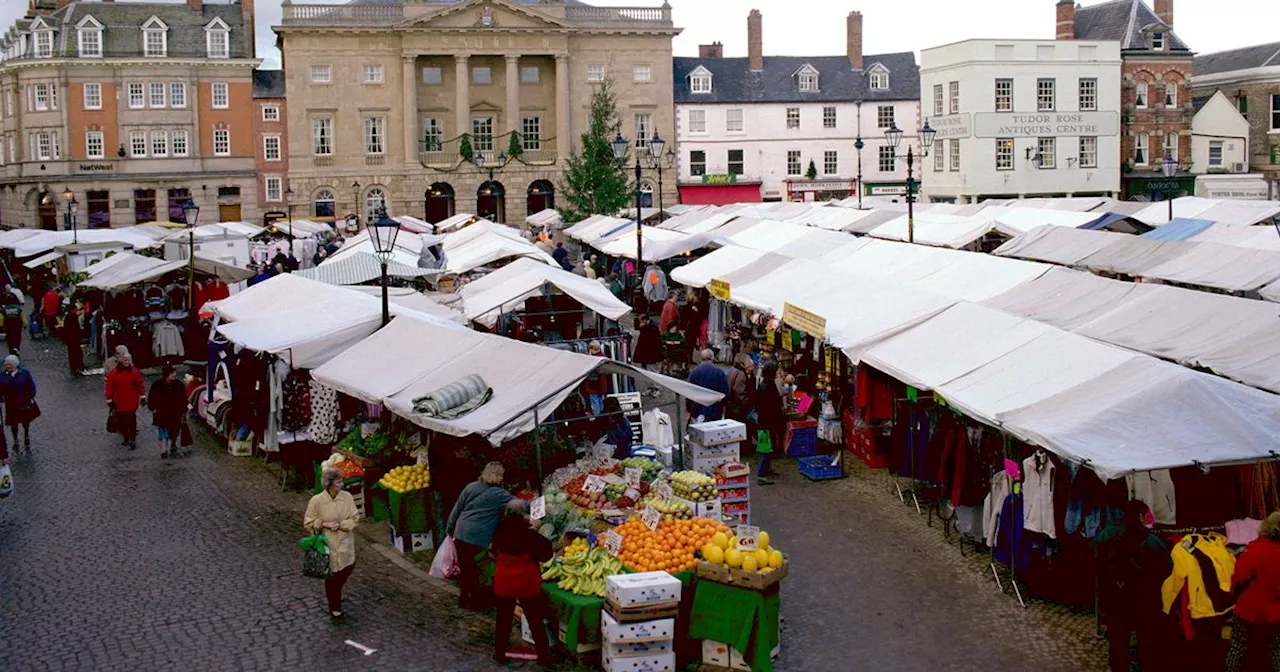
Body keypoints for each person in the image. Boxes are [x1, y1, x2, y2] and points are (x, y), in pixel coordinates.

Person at [1094, 499, 1171, 672]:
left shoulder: (1107, 533)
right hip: (1142, 599)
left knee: (1118, 640)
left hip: (1115, 596)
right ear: (1140, 516)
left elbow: (1097, 558)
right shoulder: (1151, 541)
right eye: (1145, 515)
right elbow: (1167, 566)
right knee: (1145, 639)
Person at [491, 499, 557, 666]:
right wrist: (535, 529)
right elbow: (546, 554)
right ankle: (544, 656)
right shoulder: (529, 534)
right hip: (526, 582)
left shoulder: (500, 529)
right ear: (523, 515)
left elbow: (493, 550)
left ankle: (499, 653)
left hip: (504, 582)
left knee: (503, 619)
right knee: (535, 619)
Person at [445, 462, 514, 611]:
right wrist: (540, 504)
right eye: (501, 475)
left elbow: (457, 509)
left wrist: (450, 529)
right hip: (477, 536)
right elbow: (519, 505)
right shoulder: (499, 494)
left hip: (461, 531)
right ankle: (479, 601)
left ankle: (464, 599)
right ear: (498, 476)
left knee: (465, 568)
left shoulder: (471, 487)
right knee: (478, 568)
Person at [304, 467, 361, 619]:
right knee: (332, 577)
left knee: (348, 568)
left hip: (345, 543)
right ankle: (334, 606)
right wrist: (325, 524)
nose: (342, 484)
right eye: (338, 482)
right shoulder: (317, 501)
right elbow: (308, 523)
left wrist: (342, 525)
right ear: (330, 484)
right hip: (327, 545)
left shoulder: (347, 497)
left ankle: (335, 593)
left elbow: (355, 518)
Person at [1226, 510, 1280, 671]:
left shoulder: (1253, 551)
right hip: (1276, 614)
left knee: (1237, 648)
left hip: (1249, 611)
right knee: (1277, 651)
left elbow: (1238, 580)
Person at [104, 351, 146, 450]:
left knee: (131, 420)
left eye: (128, 360)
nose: (127, 361)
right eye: (125, 360)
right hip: (119, 401)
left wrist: (143, 396)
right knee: (122, 420)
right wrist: (109, 399)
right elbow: (109, 387)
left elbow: (140, 385)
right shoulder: (114, 373)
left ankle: (132, 439)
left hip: (130, 400)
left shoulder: (134, 371)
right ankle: (126, 437)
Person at [147, 364, 188, 459]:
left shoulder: (178, 385)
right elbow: (152, 398)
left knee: (175, 430)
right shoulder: (157, 385)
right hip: (162, 412)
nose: (174, 375)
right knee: (163, 431)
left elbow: (183, 398)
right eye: (172, 374)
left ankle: (173, 444)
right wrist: (153, 409)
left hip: (175, 412)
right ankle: (164, 450)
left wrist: (183, 410)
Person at [755, 360, 784, 484]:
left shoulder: (765, 383)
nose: (779, 372)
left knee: (770, 446)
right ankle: (761, 475)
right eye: (777, 370)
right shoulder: (768, 385)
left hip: (767, 420)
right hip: (768, 421)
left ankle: (767, 468)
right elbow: (769, 405)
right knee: (767, 448)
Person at [0, 355, 37, 452]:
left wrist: (30, 396)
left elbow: (31, 385)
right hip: (11, 403)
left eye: (10, 364)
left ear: (16, 364)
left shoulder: (24, 373)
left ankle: (26, 436)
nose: (8, 366)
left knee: (25, 421)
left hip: (23, 401)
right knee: (14, 423)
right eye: (7, 364)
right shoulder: (3, 375)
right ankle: (15, 440)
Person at [687, 349, 728, 422]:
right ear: (712, 357)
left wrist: (689, 410)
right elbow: (724, 392)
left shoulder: (694, 372)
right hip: (715, 409)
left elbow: (689, 392)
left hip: (697, 409)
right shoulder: (720, 372)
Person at [631, 314, 663, 396]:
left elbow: (653, 343)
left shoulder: (652, 328)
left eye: (640, 321)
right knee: (646, 372)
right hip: (645, 355)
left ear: (645, 321)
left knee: (653, 372)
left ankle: (656, 388)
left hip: (652, 356)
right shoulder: (646, 328)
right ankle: (650, 388)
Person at [581, 341, 608, 416]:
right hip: (601, 384)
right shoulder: (603, 357)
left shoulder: (592, 359)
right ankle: (603, 417)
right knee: (601, 401)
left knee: (595, 403)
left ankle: (598, 418)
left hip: (593, 385)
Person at [726, 353, 755, 423]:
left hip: (731, 406)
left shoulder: (733, 370)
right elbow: (739, 392)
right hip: (738, 408)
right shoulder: (741, 373)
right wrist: (747, 403)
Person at [62, 300, 85, 374]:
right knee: (76, 352)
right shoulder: (72, 317)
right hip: (73, 338)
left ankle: (75, 366)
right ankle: (78, 366)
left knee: (73, 352)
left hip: (70, 338)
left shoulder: (68, 316)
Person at [2, 285, 23, 355]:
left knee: (10, 337)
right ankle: (16, 348)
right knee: (17, 337)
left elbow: (3, 314)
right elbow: (21, 315)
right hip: (17, 324)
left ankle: (12, 350)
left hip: (8, 324)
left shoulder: (5, 308)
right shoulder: (18, 308)